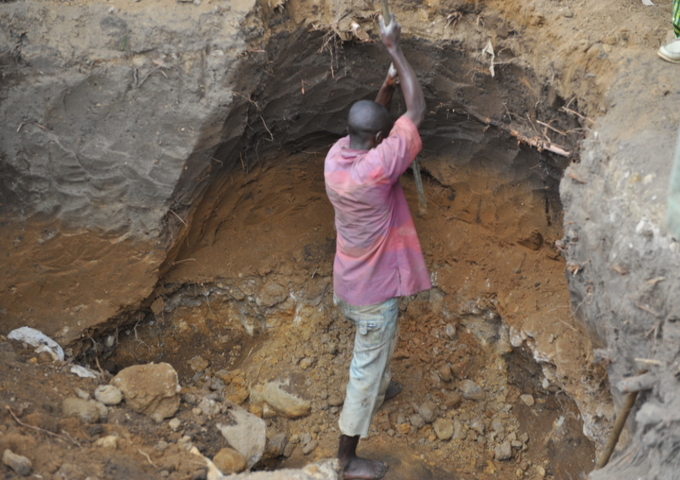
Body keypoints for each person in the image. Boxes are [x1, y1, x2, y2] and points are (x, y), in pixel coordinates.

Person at [323, 13, 431, 480]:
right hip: (373, 299)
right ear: (378, 140)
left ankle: (381, 386)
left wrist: (384, 88)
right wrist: (394, 50)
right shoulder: (379, 169)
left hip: (347, 285)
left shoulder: (337, 158)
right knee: (363, 373)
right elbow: (417, 111)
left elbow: (378, 118)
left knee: (376, 355)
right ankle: (347, 459)